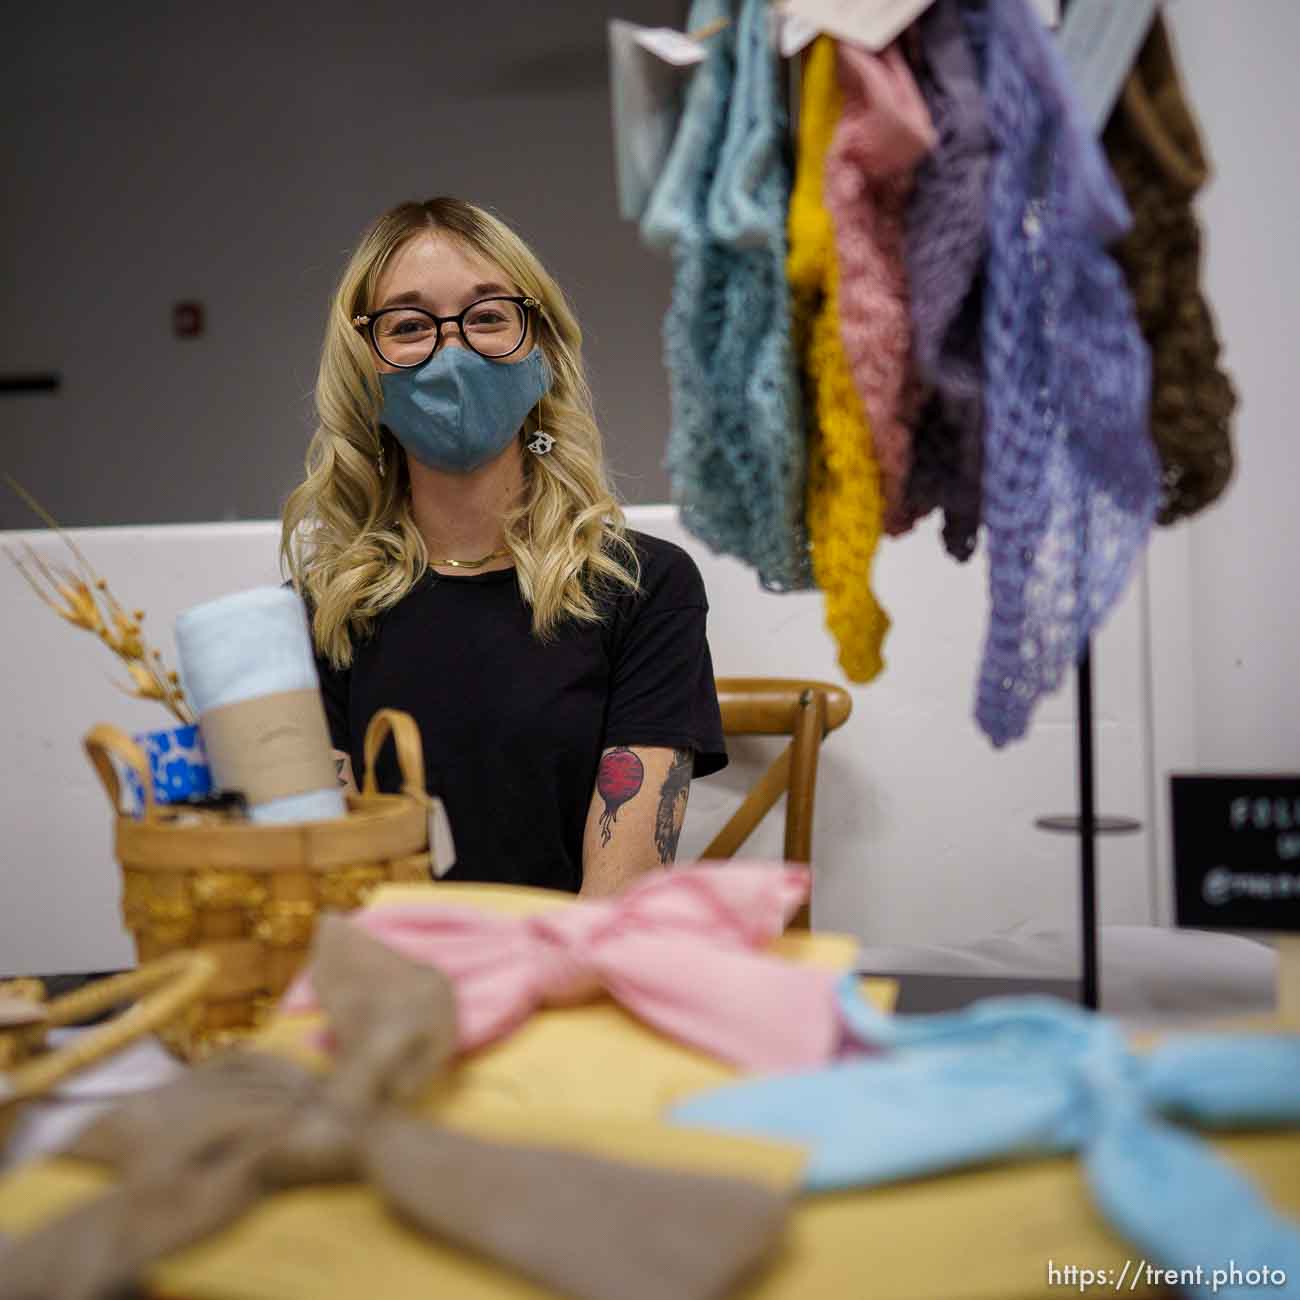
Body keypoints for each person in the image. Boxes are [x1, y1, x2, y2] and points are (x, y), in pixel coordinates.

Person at [282, 197, 727, 897]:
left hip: (565, 987)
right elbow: (324, 892)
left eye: (488, 316)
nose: (452, 350)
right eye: (408, 325)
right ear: (362, 367)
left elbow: (617, 894)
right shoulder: (317, 615)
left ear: (540, 350)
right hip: (390, 991)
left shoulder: (644, 588)